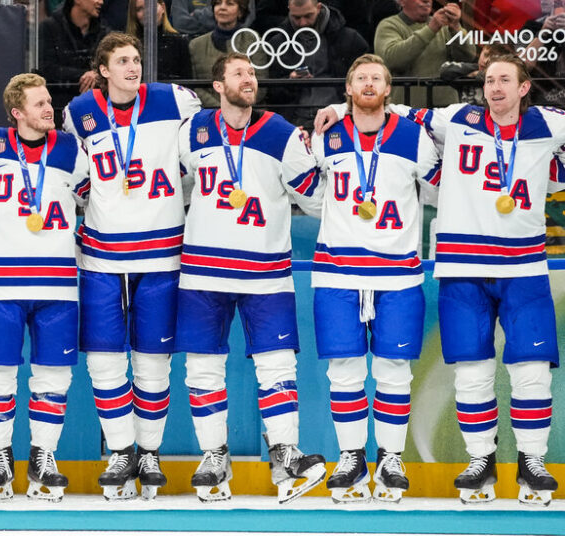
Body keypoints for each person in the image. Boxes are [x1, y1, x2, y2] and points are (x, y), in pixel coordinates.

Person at [316, 54, 565, 506]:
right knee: (471, 372)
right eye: (489, 80)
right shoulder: (457, 119)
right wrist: (338, 107)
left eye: (505, 80)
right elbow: (390, 110)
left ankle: (532, 461)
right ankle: (480, 460)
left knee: (531, 372)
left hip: (524, 268)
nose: (495, 88)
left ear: (524, 87)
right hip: (461, 267)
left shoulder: (549, 124)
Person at [176, 51, 326, 504]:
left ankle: (285, 454)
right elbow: (179, 186)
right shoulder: (193, 131)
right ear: (217, 85)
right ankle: (214, 456)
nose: (249, 79)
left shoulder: (282, 133)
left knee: (277, 364)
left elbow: (315, 199)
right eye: (239, 72)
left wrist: (322, 153)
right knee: (202, 366)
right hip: (203, 270)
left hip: (266, 271)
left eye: (253, 73)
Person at [62, 32, 199, 500]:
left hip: (163, 252)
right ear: (103, 70)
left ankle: (151, 452)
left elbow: (204, 146)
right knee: (104, 360)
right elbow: (76, 174)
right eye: (122, 61)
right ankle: (121, 451)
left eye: (136, 59)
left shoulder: (174, 99)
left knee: (153, 361)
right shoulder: (79, 111)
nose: (133, 67)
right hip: (102, 254)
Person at [310, 54, 440, 504]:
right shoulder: (325, 136)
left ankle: (390, 458)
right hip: (336, 271)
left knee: (394, 370)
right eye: (360, 78)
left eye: (376, 79)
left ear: (388, 89)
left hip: (398, 273)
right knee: (343, 370)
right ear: (348, 88)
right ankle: (351, 458)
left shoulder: (415, 137)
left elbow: (438, 189)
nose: (368, 84)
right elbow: (308, 192)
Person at [0, 73, 88, 502]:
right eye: (39, 103)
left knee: (54, 376)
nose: (49, 108)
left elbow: (94, 199)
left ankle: (43, 455)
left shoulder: (71, 149)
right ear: (16, 112)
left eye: (49, 100)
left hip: (57, 283)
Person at [266, 0, 367, 130]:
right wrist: (290, 82)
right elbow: (271, 93)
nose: (303, 23)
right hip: (294, 119)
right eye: (296, 17)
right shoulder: (277, 43)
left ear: (319, 8)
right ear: (289, 9)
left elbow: (364, 80)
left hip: (339, 116)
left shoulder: (349, 39)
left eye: (308, 16)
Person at [373, 0, 475, 107]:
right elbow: (392, 60)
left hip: (446, 110)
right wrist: (431, 29)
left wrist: (456, 27)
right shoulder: (389, 25)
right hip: (407, 110)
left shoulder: (445, 26)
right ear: (402, 2)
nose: (426, 0)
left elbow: (469, 55)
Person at [187, 0, 262, 108]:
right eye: (218, 3)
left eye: (229, 3)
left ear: (240, 11)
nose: (222, 7)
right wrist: (222, 108)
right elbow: (196, 87)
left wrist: (235, 106)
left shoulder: (253, 40)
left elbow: (261, 83)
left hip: (247, 110)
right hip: (210, 111)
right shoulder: (196, 45)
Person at [38, 0, 107, 95]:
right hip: (56, 98)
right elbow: (47, 68)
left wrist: (97, 74)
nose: (101, 2)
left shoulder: (104, 32)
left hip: (94, 98)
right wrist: (85, 74)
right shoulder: (49, 28)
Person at [125, 0, 190, 81]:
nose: (147, 12)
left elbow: (187, 83)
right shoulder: (127, 45)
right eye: (139, 9)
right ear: (134, 15)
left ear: (163, 7)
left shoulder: (180, 42)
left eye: (151, 7)